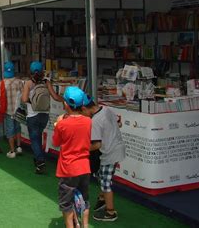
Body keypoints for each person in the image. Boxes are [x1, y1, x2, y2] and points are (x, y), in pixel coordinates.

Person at [52, 87, 92, 228]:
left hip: (68, 168)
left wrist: (57, 125)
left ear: (66, 105)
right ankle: (85, 225)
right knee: (85, 199)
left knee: (66, 203)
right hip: (84, 166)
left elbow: (56, 142)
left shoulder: (62, 124)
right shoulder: (88, 121)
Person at [82, 95, 125, 222]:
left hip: (109, 153)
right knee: (102, 176)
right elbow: (119, 123)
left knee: (105, 183)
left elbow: (97, 144)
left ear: (85, 108)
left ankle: (110, 212)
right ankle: (102, 199)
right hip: (117, 148)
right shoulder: (106, 109)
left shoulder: (95, 121)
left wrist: (80, 149)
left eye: (81, 112)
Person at [21, 61, 64, 174]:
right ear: (42, 71)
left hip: (32, 115)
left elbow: (24, 99)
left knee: (34, 139)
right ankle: (38, 158)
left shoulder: (28, 83)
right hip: (44, 114)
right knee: (38, 136)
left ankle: (40, 162)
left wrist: (33, 101)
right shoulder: (46, 82)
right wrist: (65, 99)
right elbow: (55, 97)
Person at [1, 61, 24, 158]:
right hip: (18, 110)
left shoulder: (3, 83)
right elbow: (23, 96)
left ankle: (12, 151)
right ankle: (19, 147)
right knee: (18, 127)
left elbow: (0, 97)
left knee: (10, 130)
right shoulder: (19, 82)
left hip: (8, 110)